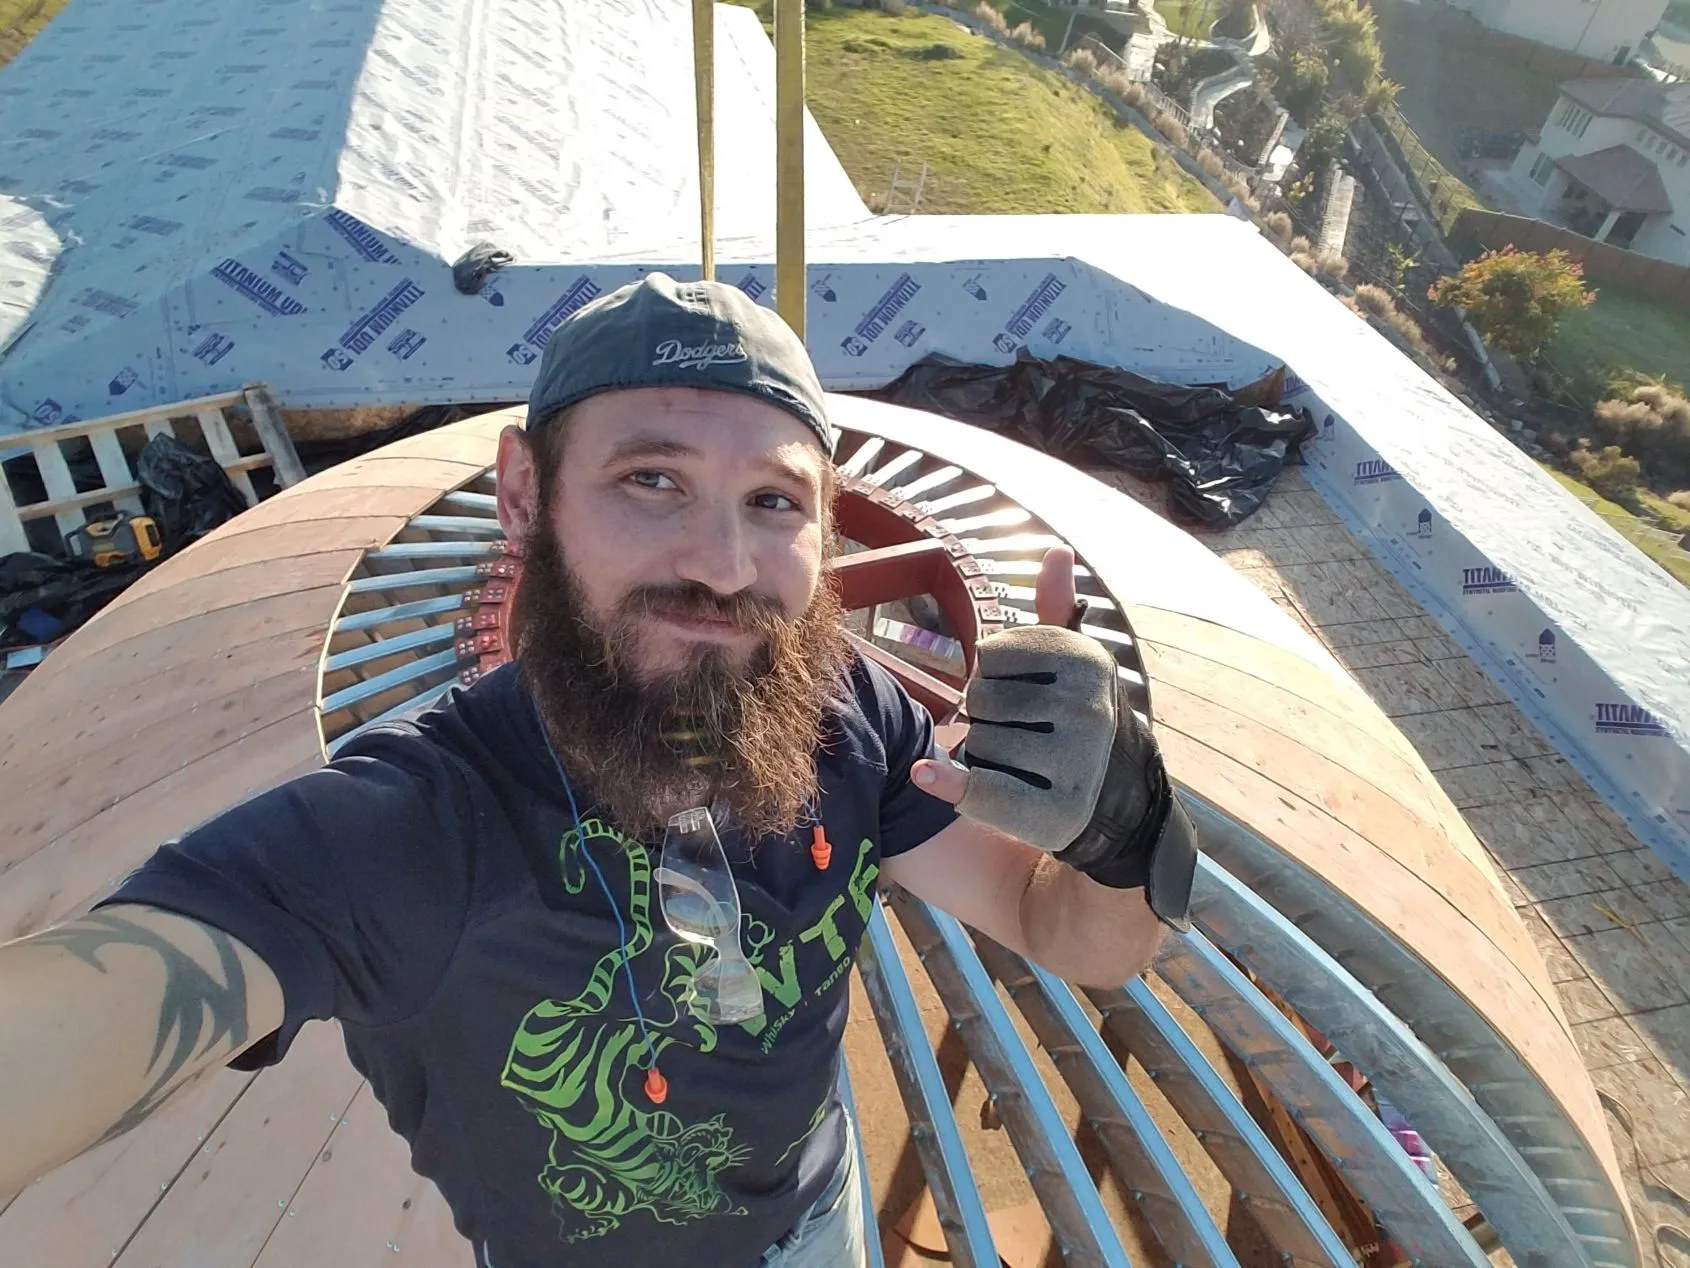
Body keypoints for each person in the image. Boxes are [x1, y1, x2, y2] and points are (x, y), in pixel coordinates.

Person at [0, 274, 1197, 1267]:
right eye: (652, 478)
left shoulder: (850, 711)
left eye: (773, 499)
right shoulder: (410, 831)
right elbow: (116, 1001)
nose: (722, 563)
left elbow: (1075, 936)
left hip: (818, 1216)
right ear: (527, 496)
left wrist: (1122, 829)